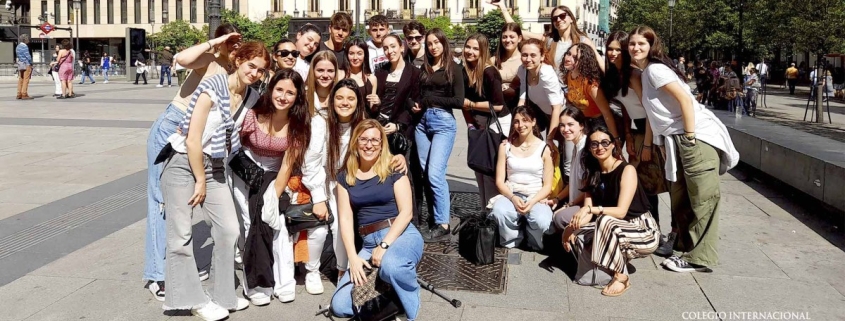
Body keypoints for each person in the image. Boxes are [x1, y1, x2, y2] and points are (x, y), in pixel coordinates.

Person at [160, 41, 269, 320]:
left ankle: (222, 295)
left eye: (260, 70)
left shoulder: (251, 97)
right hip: (184, 163)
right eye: (251, 66)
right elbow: (192, 139)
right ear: (238, 61)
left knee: (229, 229)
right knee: (180, 236)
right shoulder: (212, 87)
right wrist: (200, 180)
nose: (255, 73)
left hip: (216, 165)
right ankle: (192, 300)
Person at [143, 24, 242, 302]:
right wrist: (216, 42)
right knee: (161, 201)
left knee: (183, 205)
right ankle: (158, 274)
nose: (235, 46)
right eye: (230, 41)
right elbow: (182, 59)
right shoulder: (209, 60)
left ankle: (178, 267)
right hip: (173, 126)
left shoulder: (234, 70)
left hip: (201, 136)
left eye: (239, 41)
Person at [629, 26, 739, 273]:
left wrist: (689, 137)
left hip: (695, 137)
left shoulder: (655, 70)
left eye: (641, 44)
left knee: (702, 198)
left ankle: (699, 258)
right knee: (683, 197)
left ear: (652, 46)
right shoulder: (646, 73)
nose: (635, 48)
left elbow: (686, 100)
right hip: (676, 139)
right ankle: (684, 248)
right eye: (632, 44)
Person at [330, 119, 424, 321]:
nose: (369, 145)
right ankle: (392, 291)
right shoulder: (345, 177)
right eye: (363, 139)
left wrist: (384, 245)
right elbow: (345, 219)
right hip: (368, 243)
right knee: (339, 305)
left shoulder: (394, 168)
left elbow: (406, 212)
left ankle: (410, 311)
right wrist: (353, 258)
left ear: (382, 144)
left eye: (375, 140)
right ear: (355, 142)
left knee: (392, 266)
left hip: (399, 235)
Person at [231, 69, 307, 306]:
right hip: (246, 172)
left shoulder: (298, 125)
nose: (283, 97)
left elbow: (286, 166)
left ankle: (283, 283)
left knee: (276, 223)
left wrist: (272, 197)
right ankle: (256, 283)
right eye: (279, 90)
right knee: (249, 222)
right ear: (271, 89)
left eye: (290, 93)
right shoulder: (253, 114)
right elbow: (235, 146)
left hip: (275, 176)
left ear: (297, 96)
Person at [562, 125, 660, 297]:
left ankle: (621, 277)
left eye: (604, 142)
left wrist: (591, 209)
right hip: (614, 228)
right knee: (578, 234)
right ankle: (615, 261)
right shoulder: (592, 173)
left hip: (642, 230)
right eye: (594, 144)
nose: (600, 147)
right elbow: (588, 215)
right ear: (589, 149)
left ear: (613, 145)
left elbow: (621, 212)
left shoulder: (627, 170)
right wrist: (569, 229)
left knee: (605, 220)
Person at [602, 31, 671, 256]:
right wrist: (628, 136)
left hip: (651, 131)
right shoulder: (615, 74)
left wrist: (648, 144)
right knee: (642, 183)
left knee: (655, 185)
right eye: (609, 49)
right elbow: (625, 107)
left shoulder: (633, 74)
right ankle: (651, 229)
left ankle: (664, 234)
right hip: (637, 131)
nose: (612, 53)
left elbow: (649, 108)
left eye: (617, 49)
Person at [415, 28, 465, 242]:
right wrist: (417, 103)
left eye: (437, 42)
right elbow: (418, 93)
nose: (433, 46)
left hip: (443, 121)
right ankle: (434, 218)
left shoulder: (454, 68)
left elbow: (459, 101)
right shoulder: (424, 67)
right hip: (421, 123)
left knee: (435, 173)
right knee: (426, 173)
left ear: (444, 43)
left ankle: (443, 223)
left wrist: (430, 101)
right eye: (429, 43)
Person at [488, 106, 555, 250]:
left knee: (543, 220)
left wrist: (532, 201)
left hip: (535, 195)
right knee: (499, 211)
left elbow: (547, 186)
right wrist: (512, 198)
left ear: (533, 122)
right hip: (512, 192)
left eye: (525, 120)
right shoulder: (505, 146)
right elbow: (499, 181)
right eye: (517, 121)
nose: (520, 125)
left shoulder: (544, 149)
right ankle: (512, 240)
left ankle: (533, 240)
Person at [375, 34, 424, 226]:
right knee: (381, 174)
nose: (390, 51)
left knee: (404, 174)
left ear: (402, 47)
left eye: (393, 46)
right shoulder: (380, 71)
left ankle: (411, 219)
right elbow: (376, 100)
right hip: (380, 129)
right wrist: (375, 104)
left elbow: (415, 104)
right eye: (386, 48)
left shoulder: (414, 73)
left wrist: (398, 125)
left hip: (402, 131)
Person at [492, 0, 603, 81]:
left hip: (576, 93)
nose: (558, 19)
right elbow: (518, 31)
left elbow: (599, 64)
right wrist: (503, 8)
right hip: (554, 93)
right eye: (554, 18)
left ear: (571, 19)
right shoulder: (549, 40)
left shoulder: (583, 41)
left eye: (562, 16)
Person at [462, 33, 509, 208]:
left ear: (483, 51)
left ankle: (494, 211)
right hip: (478, 125)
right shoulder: (465, 71)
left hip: (496, 125)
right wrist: (470, 124)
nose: (470, 51)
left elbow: (498, 105)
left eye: (476, 49)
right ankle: (484, 211)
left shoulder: (490, 72)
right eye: (468, 47)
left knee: (489, 170)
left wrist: (471, 104)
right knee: (478, 168)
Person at [561, 43, 619, 139]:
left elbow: (606, 112)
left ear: (583, 62)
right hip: (583, 121)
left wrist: (615, 138)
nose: (568, 58)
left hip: (599, 122)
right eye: (568, 54)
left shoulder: (591, 84)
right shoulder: (569, 75)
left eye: (575, 58)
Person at [549, 107, 588, 229]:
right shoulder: (576, 146)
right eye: (562, 125)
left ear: (581, 125)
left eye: (570, 125)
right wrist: (557, 198)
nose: (565, 129)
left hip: (585, 206)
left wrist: (569, 205)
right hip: (575, 203)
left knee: (559, 218)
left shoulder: (586, 149)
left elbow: (589, 188)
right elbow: (573, 183)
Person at [517, 38, 564, 137]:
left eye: (533, 55)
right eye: (524, 55)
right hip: (544, 114)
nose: (528, 59)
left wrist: (550, 138)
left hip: (561, 116)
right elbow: (522, 99)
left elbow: (556, 107)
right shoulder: (522, 70)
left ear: (542, 56)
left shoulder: (546, 73)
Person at [339, 38, 379, 112]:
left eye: (359, 54)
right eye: (351, 53)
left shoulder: (372, 79)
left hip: (365, 118)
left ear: (365, 55)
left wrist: (377, 103)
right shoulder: (340, 75)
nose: (355, 58)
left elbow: (371, 108)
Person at [490, 23, 524, 110]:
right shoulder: (493, 61)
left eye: (512, 37)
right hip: (498, 108)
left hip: (519, 107)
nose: (508, 40)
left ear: (519, 38)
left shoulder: (525, 60)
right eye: (504, 37)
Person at [15, 34, 33, 100]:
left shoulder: (18, 46)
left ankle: (19, 93)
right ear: (26, 39)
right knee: (26, 79)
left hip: (20, 64)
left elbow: (18, 56)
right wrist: (31, 62)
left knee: (21, 78)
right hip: (26, 64)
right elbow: (28, 56)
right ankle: (24, 93)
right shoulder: (25, 46)